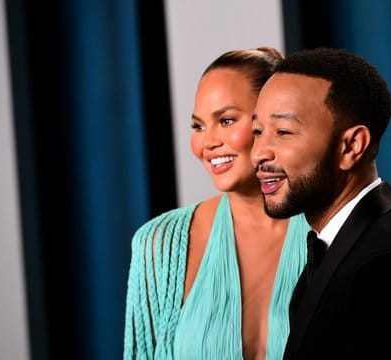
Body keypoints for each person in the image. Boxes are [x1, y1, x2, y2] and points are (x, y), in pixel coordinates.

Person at [251, 48, 391, 359]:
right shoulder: (343, 249)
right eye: (257, 131)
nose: (259, 153)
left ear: (351, 146)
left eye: (283, 132)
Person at [124, 47, 309, 360]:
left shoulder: (334, 232)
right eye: (198, 126)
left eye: (225, 120)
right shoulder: (160, 244)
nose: (207, 143)